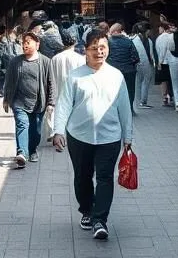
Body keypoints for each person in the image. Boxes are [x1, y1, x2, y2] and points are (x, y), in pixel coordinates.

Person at [51, 31, 134, 241]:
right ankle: (87, 210)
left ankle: (100, 220)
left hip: (110, 137)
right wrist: (58, 130)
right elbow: (64, 104)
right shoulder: (75, 76)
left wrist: (128, 137)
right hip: (79, 136)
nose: (99, 51)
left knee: (105, 177)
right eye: (94, 47)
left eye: (103, 47)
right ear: (85, 50)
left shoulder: (116, 76)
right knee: (82, 176)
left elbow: (124, 108)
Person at [2, 31, 56, 169]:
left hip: (39, 103)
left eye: (28, 42)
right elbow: (8, 81)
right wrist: (6, 99)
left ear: (37, 45)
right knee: (22, 125)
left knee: (35, 131)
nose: (25, 45)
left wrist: (51, 102)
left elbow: (51, 83)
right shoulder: (15, 62)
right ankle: (22, 153)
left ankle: (32, 150)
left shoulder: (45, 61)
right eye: (23, 43)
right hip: (19, 102)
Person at [45, 29, 86, 142]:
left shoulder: (55, 58)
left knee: (58, 110)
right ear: (75, 42)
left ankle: (56, 131)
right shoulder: (80, 59)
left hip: (58, 87)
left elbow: (51, 77)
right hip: (74, 88)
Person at [106, 23, 139, 111]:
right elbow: (136, 57)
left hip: (113, 71)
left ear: (113, 31)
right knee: (130, 91)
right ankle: (129, 109)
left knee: (113, 91)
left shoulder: (108, 42)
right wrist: (129, 64)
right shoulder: (128, 41)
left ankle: (114, 109)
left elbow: (105, 56)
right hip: (129, 71)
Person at [131, 22, 155, 109]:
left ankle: (137, 101)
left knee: (138, 82)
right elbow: (151, 54)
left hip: (136, 63)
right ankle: (143, 101)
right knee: (145, 82)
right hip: (146, 63)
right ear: (147, 30)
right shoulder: (148, 41)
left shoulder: (133, 39)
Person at [154, 23, 174, 107]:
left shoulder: (160, 37)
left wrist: (159, 61)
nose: (159, 29)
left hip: (163, 61)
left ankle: (165, 97)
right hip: (172, 61)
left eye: (159, 27)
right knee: (172, 80)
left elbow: (160, 50)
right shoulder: (172, 36)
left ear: (163, 28)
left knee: (164, 81)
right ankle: (172, 96)